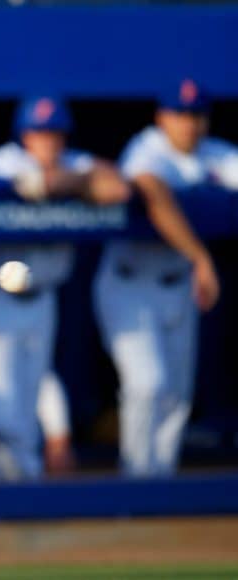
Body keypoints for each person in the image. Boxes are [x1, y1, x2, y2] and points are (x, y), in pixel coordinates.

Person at [0, 95, 129, 480]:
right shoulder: (7, 161)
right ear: (24, 136)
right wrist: (59, 184)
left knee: (24, 408)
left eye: (54, 134)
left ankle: (21, 499)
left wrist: (70, 181)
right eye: (38, 133)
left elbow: (117, 189)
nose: (47, 142)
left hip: (40, 301)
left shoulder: (75, 163)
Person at [94, 79, 238, 477]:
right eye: (180, 114)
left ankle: (160, 483)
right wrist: (201, 258)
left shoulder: (215, 154)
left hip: (178, 287)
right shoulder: (146, 150)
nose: (189, 124)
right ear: (162, 118)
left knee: (176, 398)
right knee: (147, 384)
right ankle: (137, 481)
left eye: (196, 115)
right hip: (130, 285)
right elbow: (154, 195)